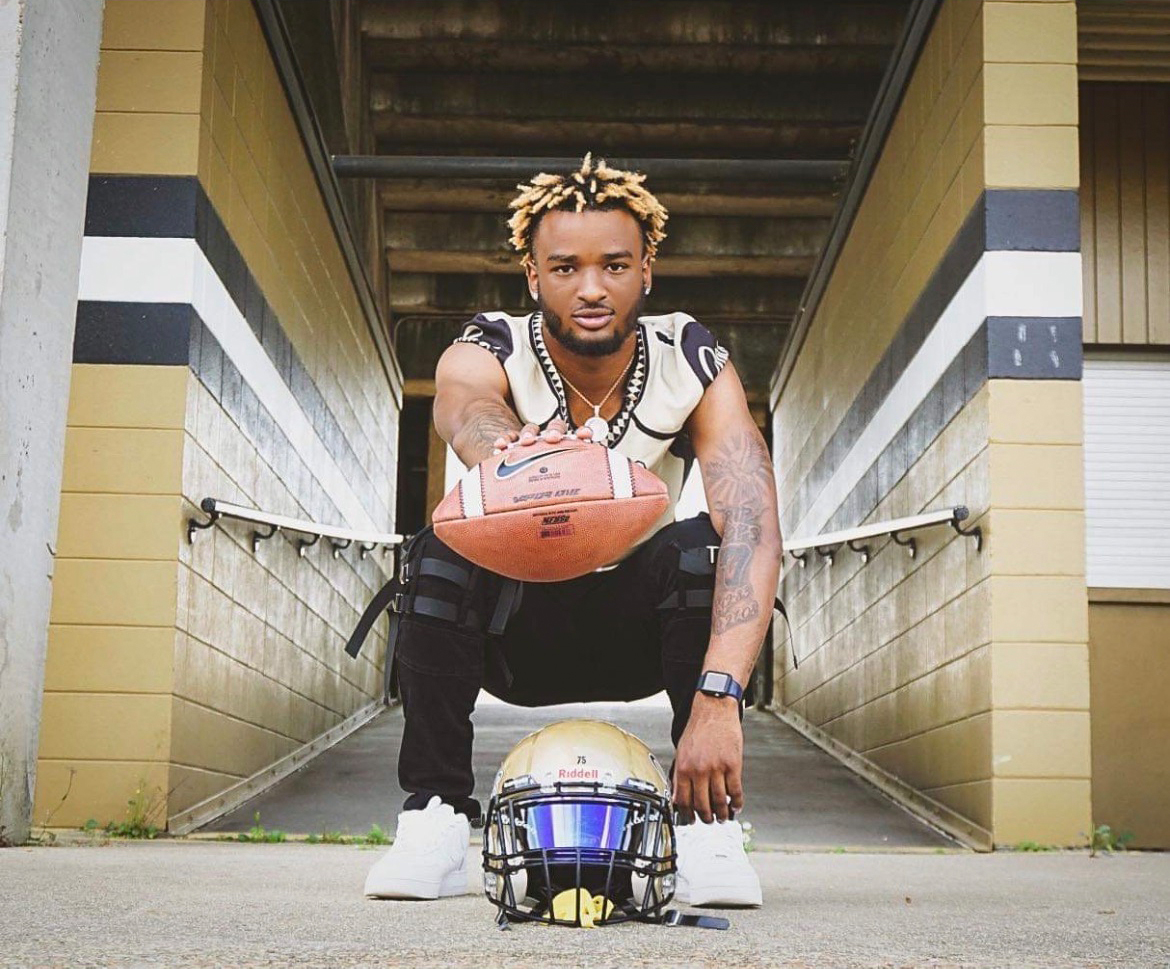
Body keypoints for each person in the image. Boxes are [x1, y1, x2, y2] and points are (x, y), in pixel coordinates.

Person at [359, 154, 783, 907]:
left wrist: (720, 696)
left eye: (615, 264)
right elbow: (463, 404)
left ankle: (704, 830)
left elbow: (752, 517)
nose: (591, 288)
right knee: (437, 551)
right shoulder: (492, 341)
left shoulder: (692, 355)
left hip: (639, 635)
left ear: (647, 269)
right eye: (565, 267)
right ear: (532, 274)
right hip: (516, 632)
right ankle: (437, 813)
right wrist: (510, 453)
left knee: (702, 549)